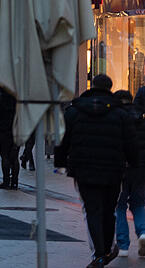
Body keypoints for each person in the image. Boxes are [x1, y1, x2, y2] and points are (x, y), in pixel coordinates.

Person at [55, 74, 137, 267]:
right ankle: (107, 250)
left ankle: (99, 253)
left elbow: (62, 140)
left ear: (92, 86)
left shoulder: (74, 111)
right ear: (110, 87)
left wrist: (61, 162)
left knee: (92, 210)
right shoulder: (120, 113)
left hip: (83, 169)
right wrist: (133, 163)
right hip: (113, 170)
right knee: (109, 210)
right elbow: (130, 142)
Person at [116, 89, 145, 258]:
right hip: (140, 169)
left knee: (119, 206)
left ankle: (123, 245)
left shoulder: (116, 119)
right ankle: (143, 232)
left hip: (120, 169)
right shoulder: (141, 121)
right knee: (138, 203)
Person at [0, 87, 20, 190]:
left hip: (4, 126)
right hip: (17, 126)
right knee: (14, 155)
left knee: (4, 154)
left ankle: (6, 181)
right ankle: (15, 182)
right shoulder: (19, 91)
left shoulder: (1, 92)